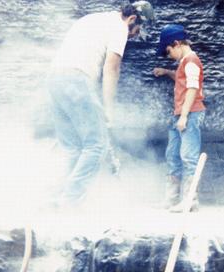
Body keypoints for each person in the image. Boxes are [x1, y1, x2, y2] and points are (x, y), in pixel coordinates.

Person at [47, 1, 155, 204]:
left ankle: (56, 198)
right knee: (97, 146)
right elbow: (111, 69)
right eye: (136, 31)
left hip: (54, 80)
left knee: (72, 148)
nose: (133, 36)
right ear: (132, 19)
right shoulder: (119, 28)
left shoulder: (92, 19)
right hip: (76, 80)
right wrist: (108, 110)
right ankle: (69, 201)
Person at [153, 24, 206, 211]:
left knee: (188, 156)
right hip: (180, 115)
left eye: (168, 52)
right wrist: (167, 72)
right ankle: (172, 198)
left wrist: (184, 116)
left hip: (189, 114)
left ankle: (190, 199)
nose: (169, 56)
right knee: (173, 154)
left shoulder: (191, 60)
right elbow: (183, 79)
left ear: (176, 43)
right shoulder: (185, 62)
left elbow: (192, 88)